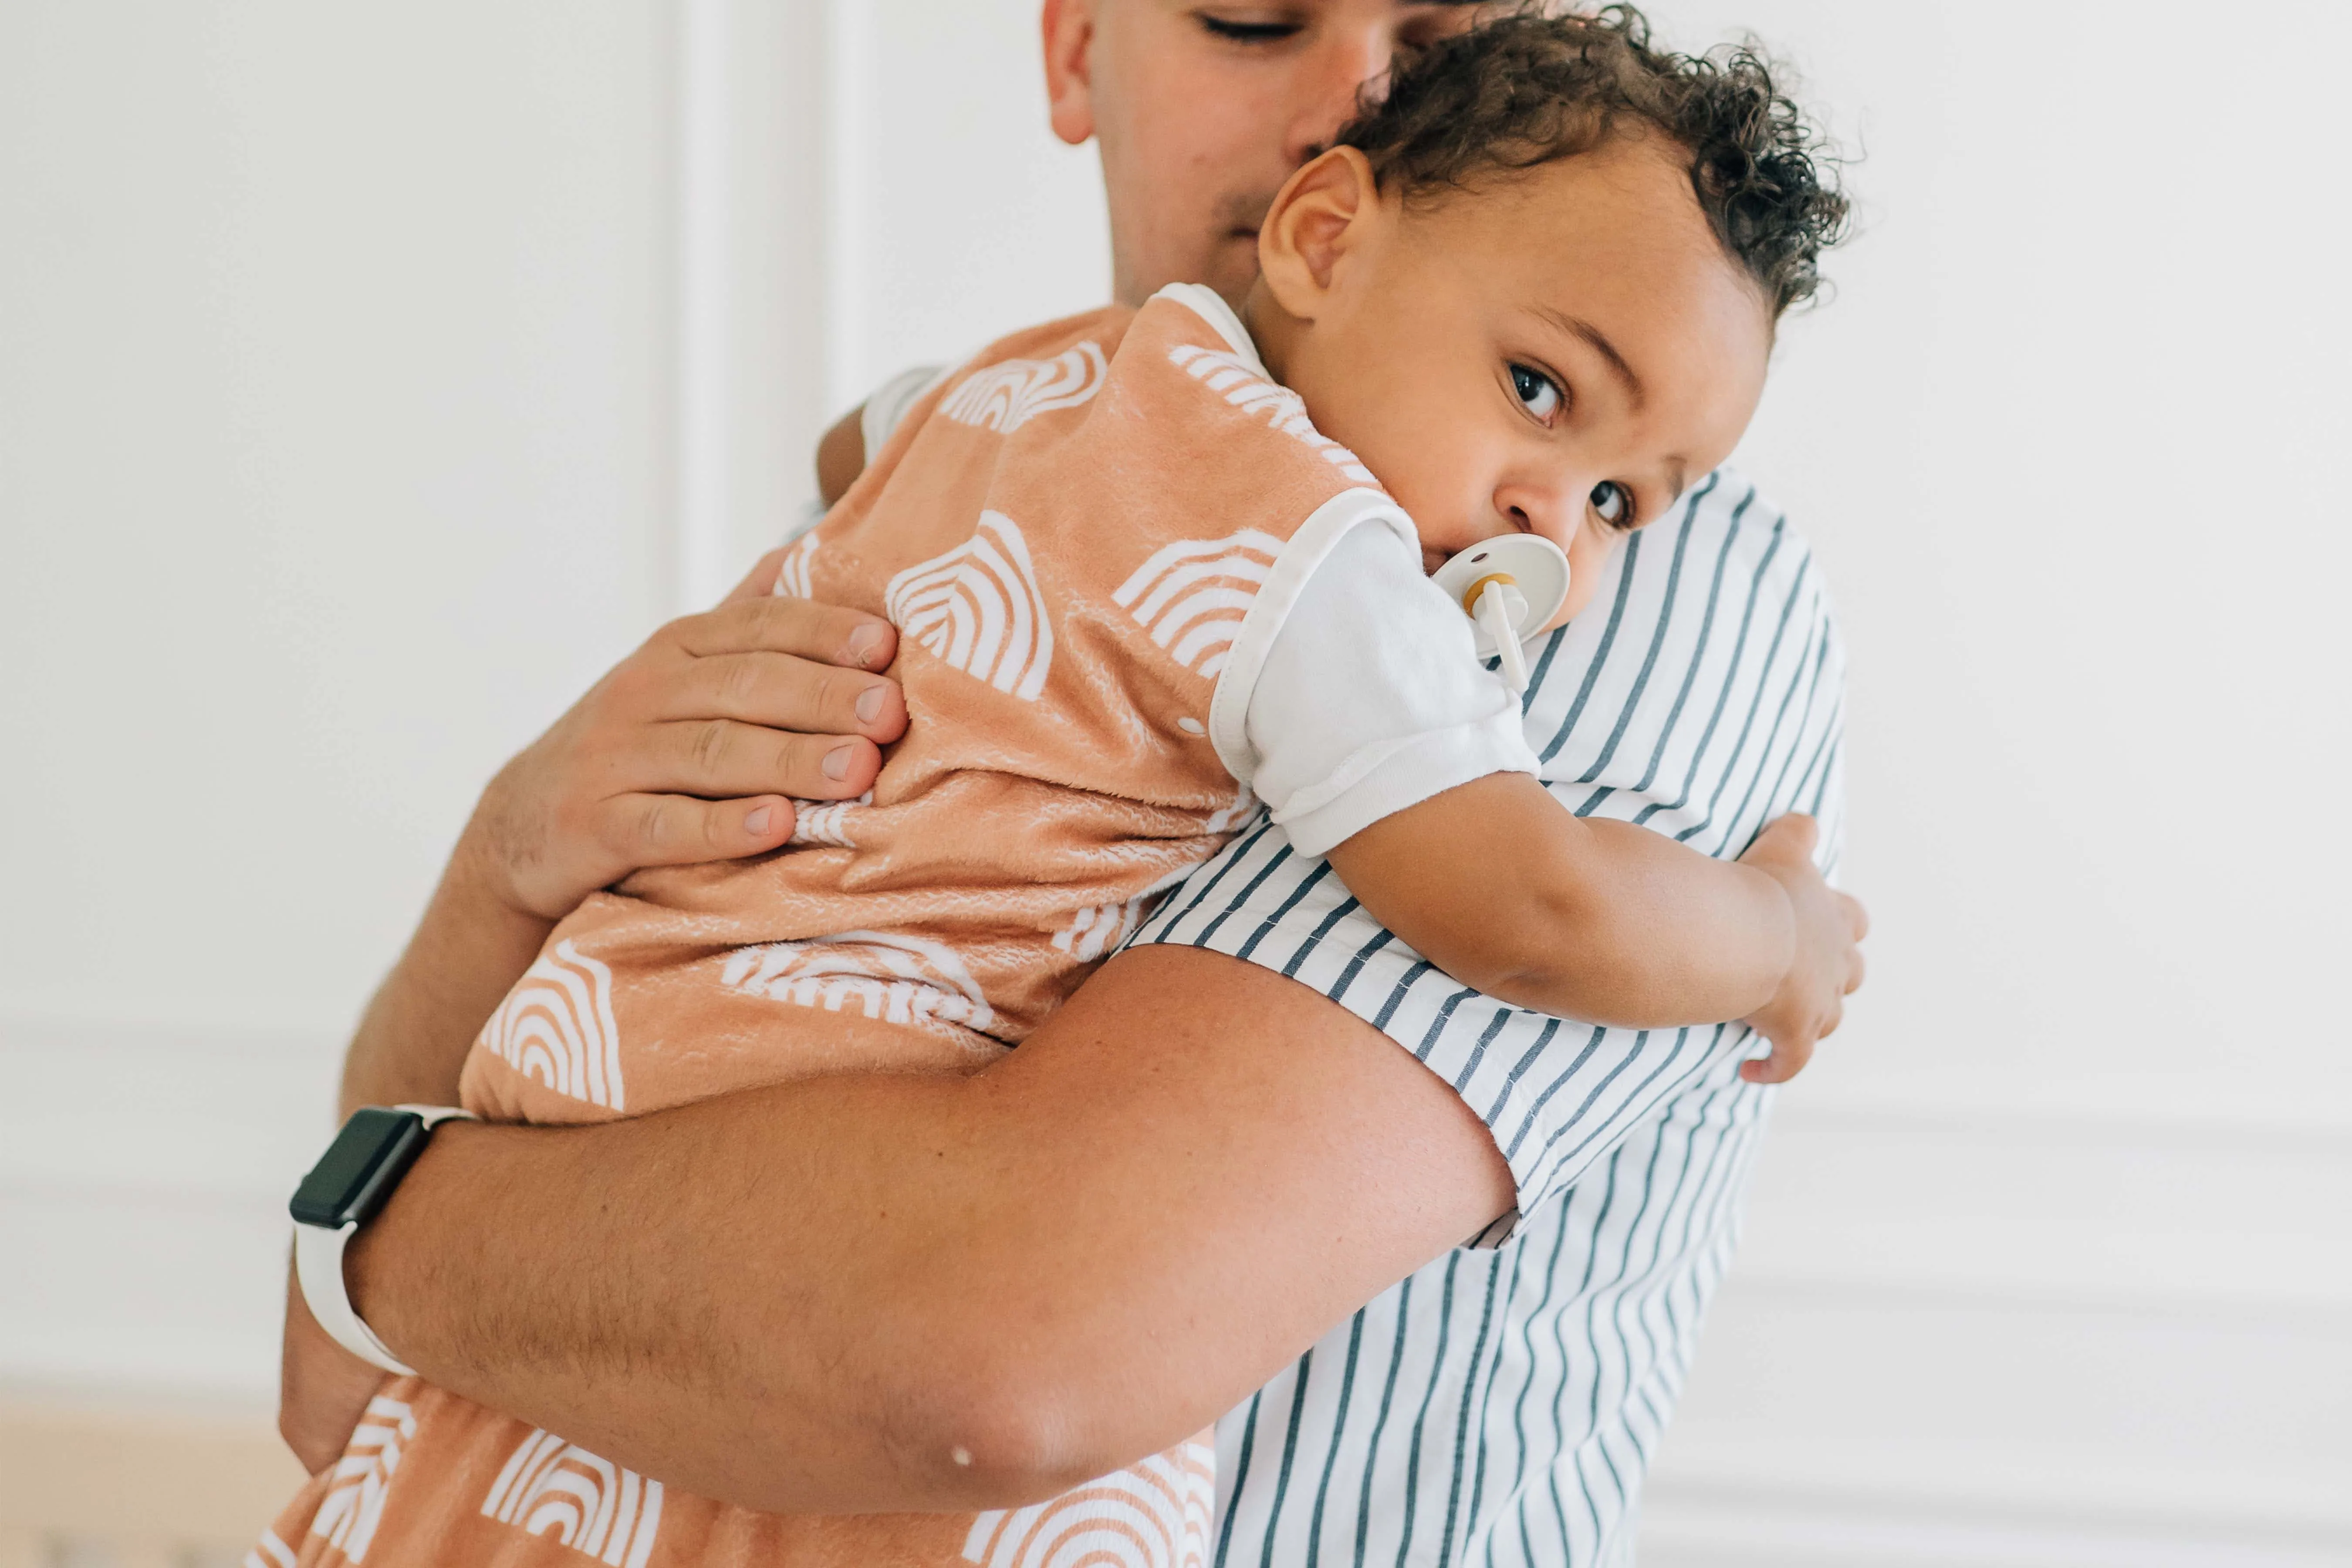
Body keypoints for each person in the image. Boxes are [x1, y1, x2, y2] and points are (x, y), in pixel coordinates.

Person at [272, 3, 1866, 1564]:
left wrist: (373, 1237)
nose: (1359, 89)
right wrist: (506, 862)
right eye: (1249, 20)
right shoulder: (1084, 437)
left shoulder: (1561, 595)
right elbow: (333, 1376)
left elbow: (997, 1362)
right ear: (1076, 49)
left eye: (1451, 52)